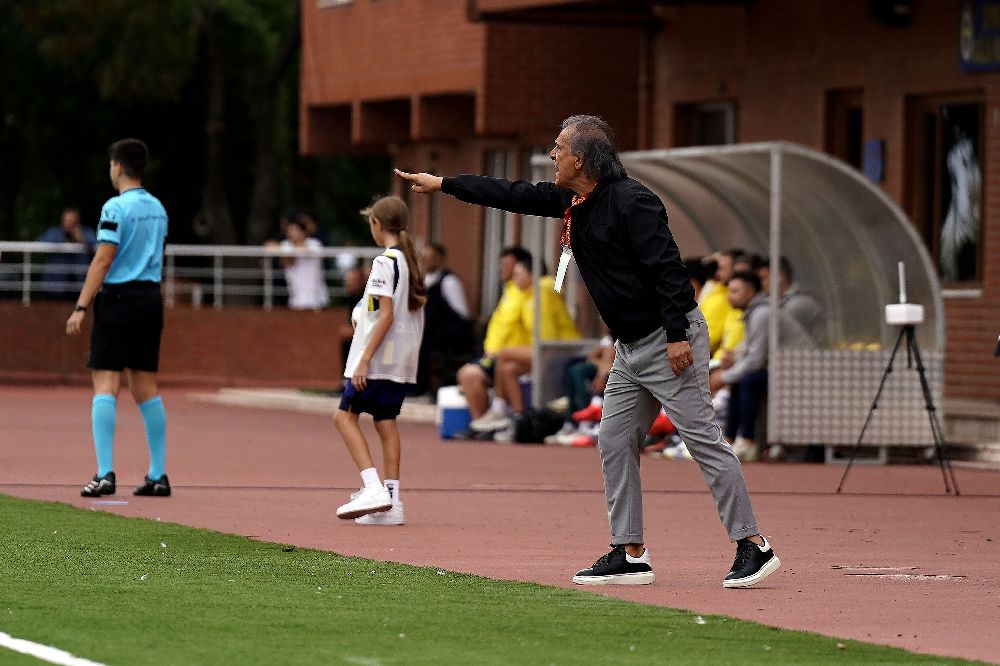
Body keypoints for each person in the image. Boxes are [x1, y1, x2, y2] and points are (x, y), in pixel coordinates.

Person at [396, 114, 780, 589]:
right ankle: (630, 551)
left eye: (558, 148)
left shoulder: (633, 202)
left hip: (668, 339)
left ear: (580, 159)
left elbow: (668, 271)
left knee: (701, 438)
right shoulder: (572, 199)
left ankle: (753, 545)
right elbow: (511, 193)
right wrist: (444, 184)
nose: (552, 155)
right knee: (615, 440)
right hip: (630, 348)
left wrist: (678, 334)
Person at [65, 138, 171, 498]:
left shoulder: (114, 207)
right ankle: (158, 474)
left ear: (119, 167)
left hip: (119, 299)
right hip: (150, 298)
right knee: (146, 387)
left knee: (105, 383)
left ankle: (104, 473)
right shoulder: (158, 208)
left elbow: (103, 258)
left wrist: (81, 306)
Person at [334, 196, 426, 526]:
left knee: (343, 417)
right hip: (400, 361)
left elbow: (384, 315)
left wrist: (363, 360)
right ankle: (393, 502)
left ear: (377, 224)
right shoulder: (410, 261)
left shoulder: (385, 262)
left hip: (379, 360)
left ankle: (373, 487)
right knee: (385, 422)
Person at [470, 254, 581, 439]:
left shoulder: (542, 294)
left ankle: (498, 408)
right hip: (541, 348)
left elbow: (547, 335)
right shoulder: (526, 294)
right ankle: (520, 418)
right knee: (508, 368)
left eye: (519, 274)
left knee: (502, 354)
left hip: (558, 348)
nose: (514, 279)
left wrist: (542, 365)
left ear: (532, 275)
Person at [710, 271, 816, 462]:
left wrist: (723, 377)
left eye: (735, 291)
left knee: (748, 380)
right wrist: (734, 357)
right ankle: (730, 439)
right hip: (784, 370)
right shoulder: (756, 312)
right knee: (743, 379)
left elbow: (755, 360)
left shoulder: (762, 313)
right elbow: (749, 349)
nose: (729, 296)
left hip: (800, 373)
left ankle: (748, 441)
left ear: (750, 293)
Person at [454, 246, 533, 426]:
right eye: (501, 263)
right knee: (468, 374)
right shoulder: (509, 291)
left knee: (469, 374)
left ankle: (487, 420)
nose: (502, 268)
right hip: (492, 354)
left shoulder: (525, 293)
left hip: (508, 355)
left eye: (507, 264)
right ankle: (481, 422)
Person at [416, 242, 473, 395]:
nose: (426, 261)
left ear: (441, 259)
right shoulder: (423, 281)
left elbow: (462, 314)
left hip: (448, 334)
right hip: (429, 330)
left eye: (431, 257)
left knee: (423, 344)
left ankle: (422, 387)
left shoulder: (449, 282)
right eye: (424, 258)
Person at [37, 208, 98, 300]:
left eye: (72, 221)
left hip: (80, 282)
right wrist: (63, 240)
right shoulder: (55, 233)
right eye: (67, 221)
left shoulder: (86, 233)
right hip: (57, 282)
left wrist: (81, 239)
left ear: (78, 222)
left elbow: (96, 244)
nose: (70, 224)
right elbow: (41, 242)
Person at [280, 216, 329, 310]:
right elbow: (286, 260)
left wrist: (293, 249)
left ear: (303, 232)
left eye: (294, 230)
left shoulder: (314, 243)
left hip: (317, 299)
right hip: (295, 300)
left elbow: (308, 251)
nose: (291, 233)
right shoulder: (286, 245)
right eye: (289, 230)